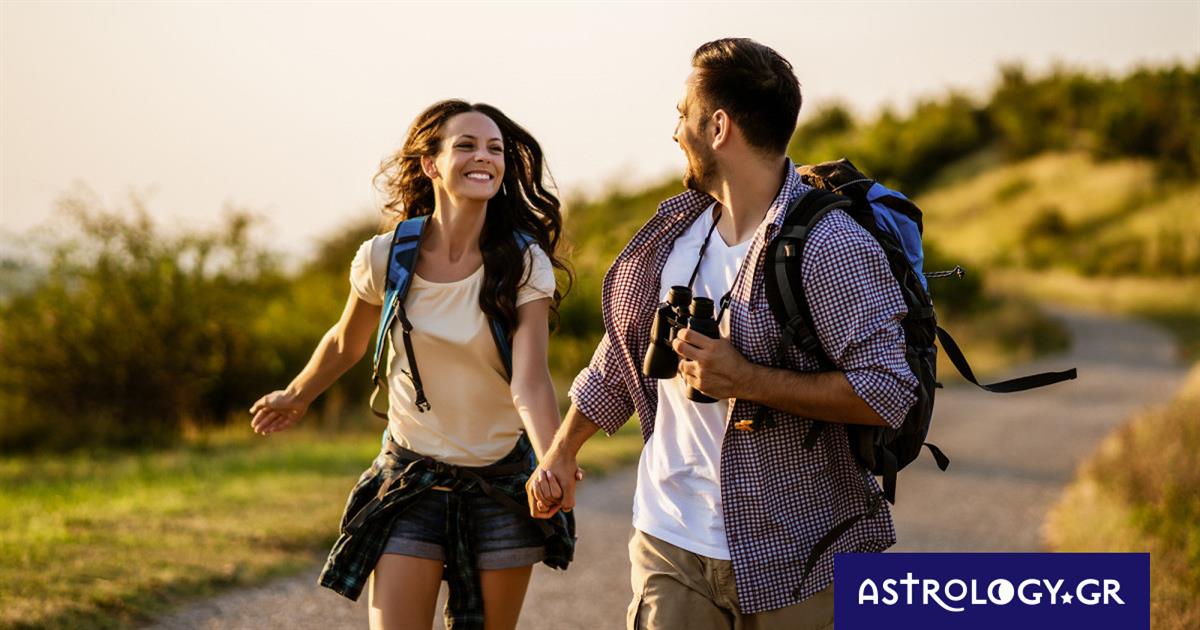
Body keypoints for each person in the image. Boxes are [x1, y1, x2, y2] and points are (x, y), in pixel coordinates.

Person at [527, 39, 918, 630]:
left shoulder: (828, 244)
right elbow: (621, 356)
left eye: (682, 113)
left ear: (717, 126)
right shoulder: (671, 235)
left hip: (803, 550)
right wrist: (560, 452)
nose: (675, 130)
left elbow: (888, 391)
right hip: (669, 541)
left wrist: (747, 380)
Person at [250, 99, 577, 630]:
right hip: (410, 477)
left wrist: (551, 459)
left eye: (495, 149)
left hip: (501, 483)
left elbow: (531, 378)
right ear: (431, 164)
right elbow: (344, 344)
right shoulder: (387, 255)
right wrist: (297, 394)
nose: (484, 157)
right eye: (466, 145)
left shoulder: (522, 262)